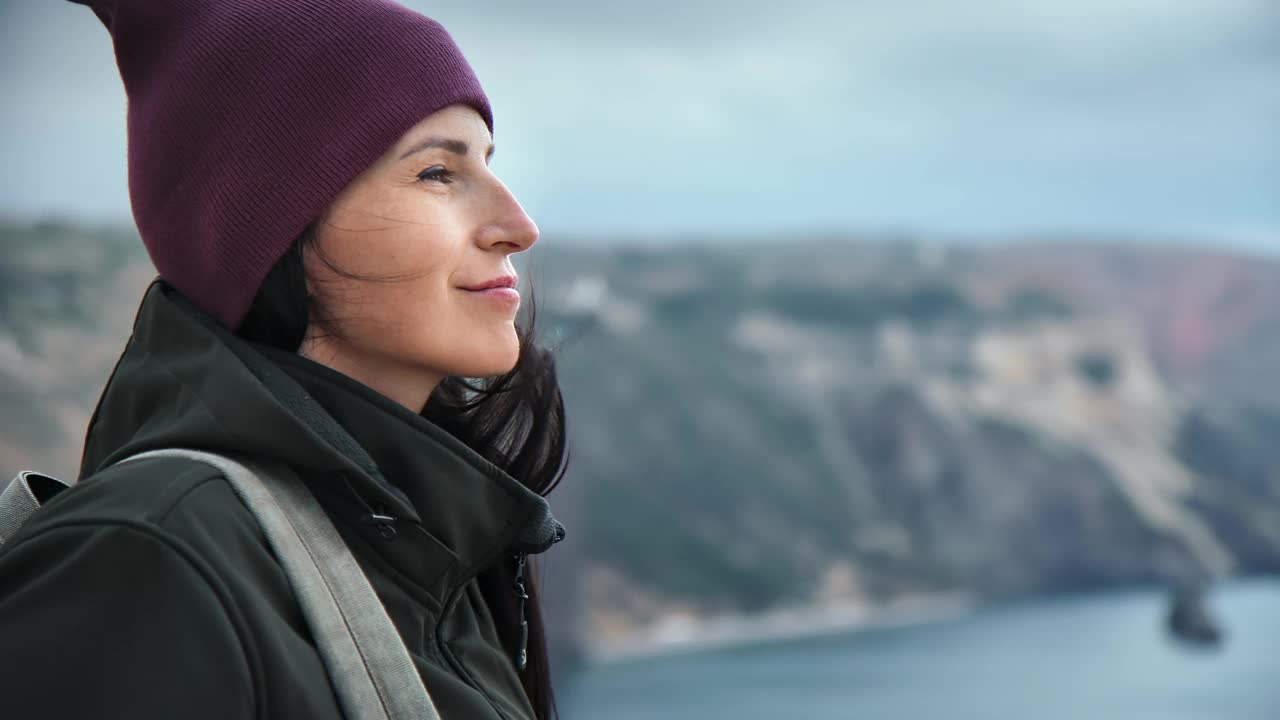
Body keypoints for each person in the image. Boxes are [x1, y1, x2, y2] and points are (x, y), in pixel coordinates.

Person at [0, 1, 567, 719]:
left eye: (488, 164)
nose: (519, 227)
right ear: (271, 224)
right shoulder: (148, 561)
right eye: (435, 173)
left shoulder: (430, 557)